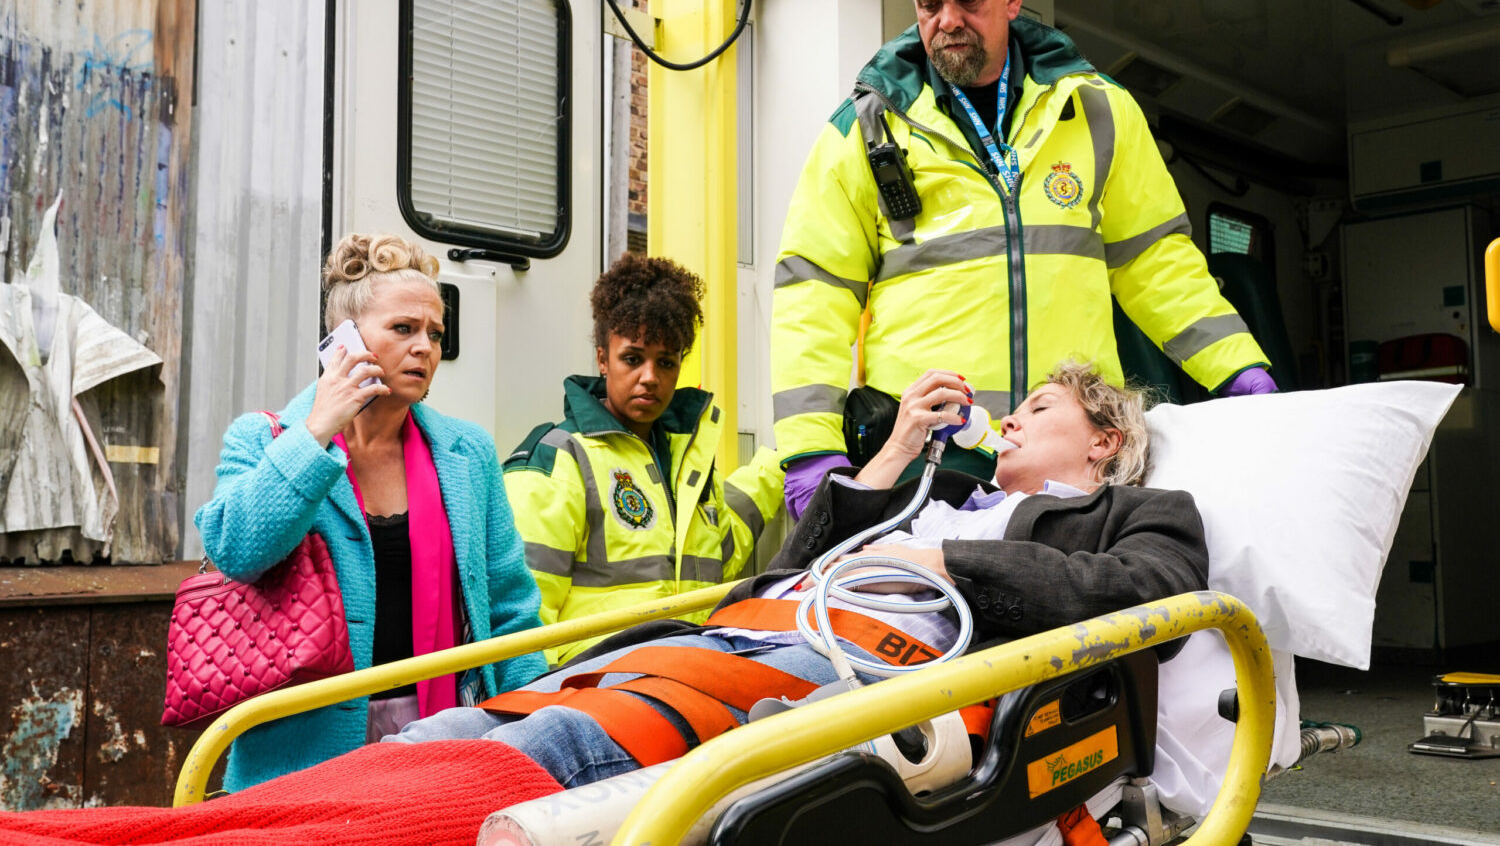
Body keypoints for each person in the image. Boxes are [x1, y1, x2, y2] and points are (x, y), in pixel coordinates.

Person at [389, 362, 1215, 815]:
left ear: (1105, 439)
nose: (1010, 418)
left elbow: (1156, 594)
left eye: (1039, 406)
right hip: (747, 632)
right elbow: (796, 564)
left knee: (556, 744)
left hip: (863, 659)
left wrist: (945, 565)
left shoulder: (1138, 511)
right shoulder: (947, 494)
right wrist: (896, 450)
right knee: (472, 720)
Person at [772, 0, 1276, 517]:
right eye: (929, 6)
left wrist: (1239, 371)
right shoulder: (864, 129)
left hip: (1072, 461)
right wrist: (808, 450)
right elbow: (814, 294)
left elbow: (1155, 262)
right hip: (934, 460)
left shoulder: (1097, 111)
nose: (947, 21)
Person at [195, 233, 546, 791]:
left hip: (445, 734)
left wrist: (539, 724)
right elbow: (237, 550)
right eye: (403, 329)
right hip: (304, 749)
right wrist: (316, 433)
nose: (425, 348)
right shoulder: (265, 438)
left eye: (435, 333)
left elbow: (509, 606)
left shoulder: (466, 452)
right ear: (343, 342)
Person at [504, 253, 784, 665]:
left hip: (685, 674)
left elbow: (725, 546)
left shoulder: (687, 459)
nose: (650, 376)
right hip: (587, 688)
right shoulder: (559, 458)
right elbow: (521, 612)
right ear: (603, 359)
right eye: (633, 358)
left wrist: (787, 460)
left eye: (666, 362)